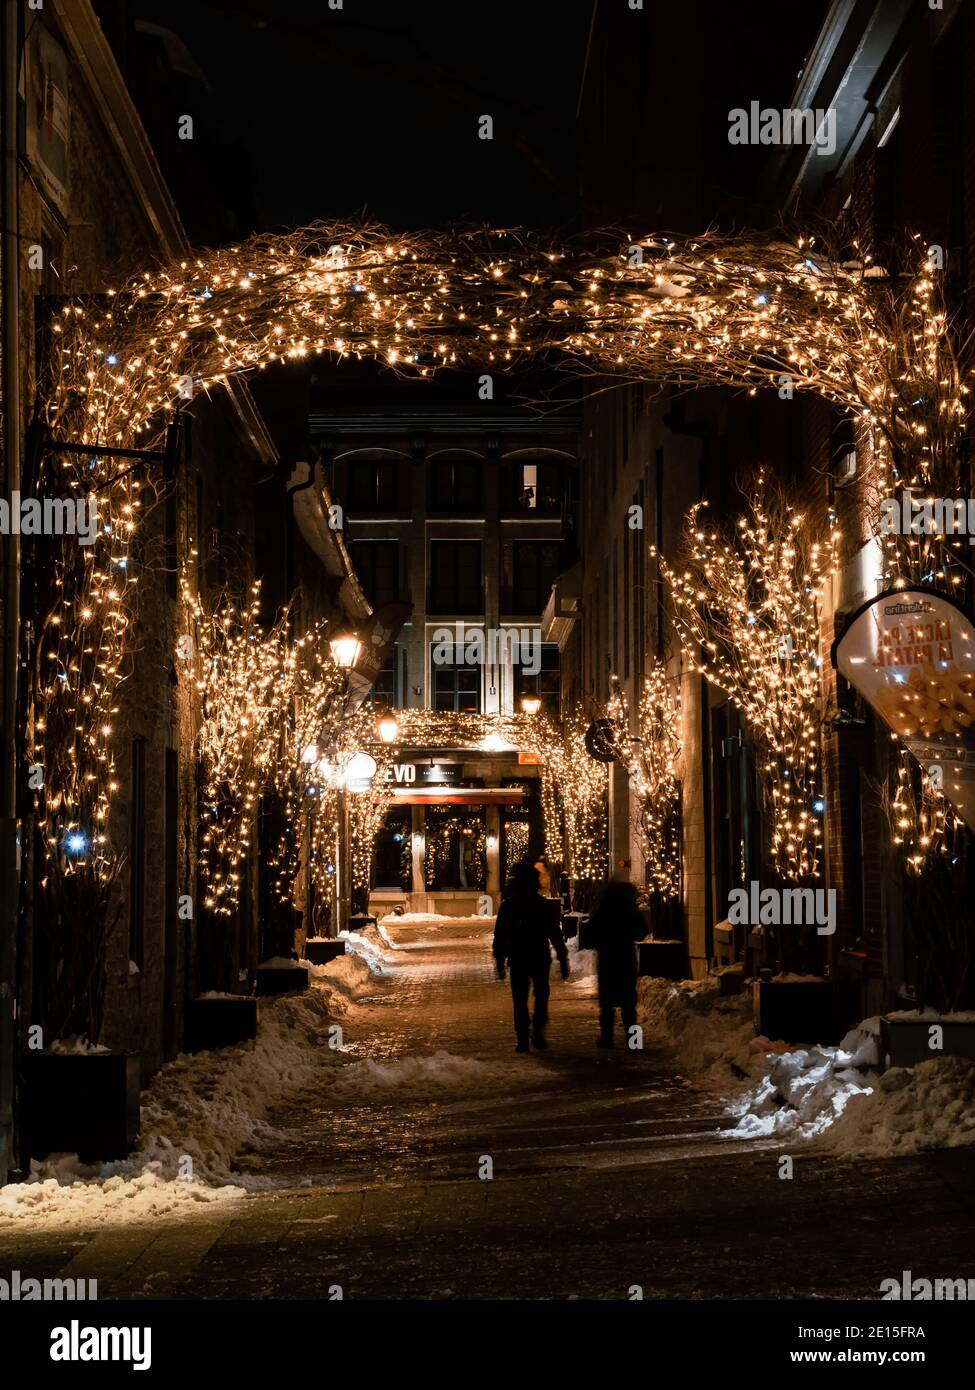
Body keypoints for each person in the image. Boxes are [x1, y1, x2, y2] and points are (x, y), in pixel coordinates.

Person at [493, 860, 569, 1052]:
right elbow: (555, 934)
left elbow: (500, 935)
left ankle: (523, 1038)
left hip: (518, 957)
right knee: (541, 995)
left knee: (519, 999)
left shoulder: (509, 906)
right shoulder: (543, 905)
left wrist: (500, 959)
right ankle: (538, 1030)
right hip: (539, 956)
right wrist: (562, 956)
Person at [587, 878, 646, 1048]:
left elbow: (591, 933)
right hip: (625, 957)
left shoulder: (602, 909)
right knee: (628, 1003)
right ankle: (634, 1042)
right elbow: (641, 931)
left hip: (607, 958)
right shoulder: (630, 909)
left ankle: (607, 1038)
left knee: (606, 1002)